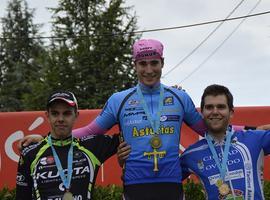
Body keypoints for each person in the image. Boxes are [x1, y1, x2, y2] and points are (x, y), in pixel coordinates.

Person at [18, 39, 266, 200]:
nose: (149, 70)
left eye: (154, 63)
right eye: (143, 64)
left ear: (162, 63)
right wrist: (47, 139)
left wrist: (252, 130)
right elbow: (92, 129)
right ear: (135, 66)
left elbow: (209, 128)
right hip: (136, 183)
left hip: (170, 182)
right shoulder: (120, 100)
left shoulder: (178, 97)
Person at [15, 91, 119, 200]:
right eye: (55, 113)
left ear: (76, 115)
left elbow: (129, 136)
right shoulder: (30, 153)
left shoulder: (92, 147)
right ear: (47, 116)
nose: (60, 119)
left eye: (67, 113)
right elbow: (22, 196)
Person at [180, 84, 270, 199]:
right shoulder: (191, 154)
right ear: (202, 112)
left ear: (231, 112)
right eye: (209, 107)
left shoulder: (256, 139)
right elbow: (164, 181)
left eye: (221, 107)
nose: (215, 112)